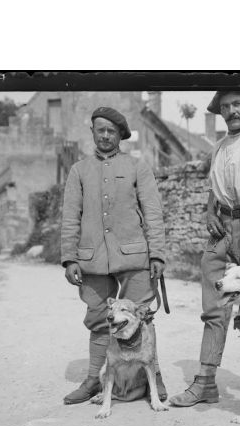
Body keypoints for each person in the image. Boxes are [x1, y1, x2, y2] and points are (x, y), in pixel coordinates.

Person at [169, 91, 240, 407]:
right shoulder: (219, 147)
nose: (231, 111)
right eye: (225, 107)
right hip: (223, 228)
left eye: (237, 104)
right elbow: (214, 189)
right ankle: (205, 381)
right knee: (216, 303)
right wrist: (210, 212)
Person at [62, 106, 167, 405]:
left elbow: (153, 213)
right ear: (92, 132)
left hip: (134, 257)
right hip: (91, 259)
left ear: (120, 135)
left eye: (111, 131)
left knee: (143, 317)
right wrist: (70, 258)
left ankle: (154, 375)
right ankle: (95, 379)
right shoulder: (79, 170)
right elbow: (70, 217)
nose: (105, 135)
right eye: (100, 130)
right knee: (98, 319)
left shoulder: (137, 167)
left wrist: (157, 253)